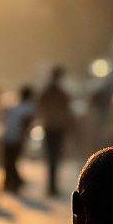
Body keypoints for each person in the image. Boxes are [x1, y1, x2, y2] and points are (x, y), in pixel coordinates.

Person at [36, 66, 74, 197]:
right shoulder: (58, 93)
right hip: (54, 128)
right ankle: (52, 186)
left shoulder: (50, 93)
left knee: (53, 158)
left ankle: (52, 186)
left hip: (52, 127)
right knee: (54, 157)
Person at [2, 86, 35, 194]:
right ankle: (14, 182)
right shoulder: (28, 108)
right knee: (11, 161)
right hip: (15, 138)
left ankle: (12, 183)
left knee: (10, 161)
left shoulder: (16, 107)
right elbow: (26, 124)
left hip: (9, 137)